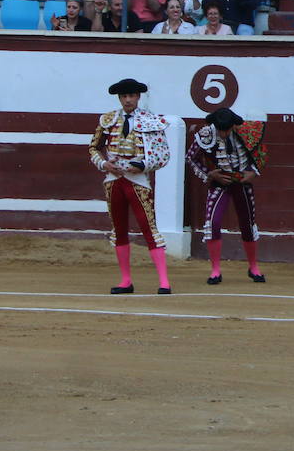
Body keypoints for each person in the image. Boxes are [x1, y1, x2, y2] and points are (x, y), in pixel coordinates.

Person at [88, 78, 172, 295]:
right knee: (119, 229)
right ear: (119, 98)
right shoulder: (108, 120)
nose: (128, 100)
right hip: (114, 179)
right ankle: (126, 281)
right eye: (124, 96)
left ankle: (164, 282)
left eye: (131, 96)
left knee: (148, 227)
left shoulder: (151, 120)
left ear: (138, 97)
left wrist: (144, 164)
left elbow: (163, 155)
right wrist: (104, 164)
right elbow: (94, 148)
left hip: (138, 179)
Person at [186, 107, 265, 286]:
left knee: (247, 224)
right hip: (219, 183)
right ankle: (215, 270)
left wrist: (253, 172)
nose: (223, 133)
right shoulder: (206, 135)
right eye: (220, 129)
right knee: (213, 223)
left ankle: (253, 267)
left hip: (242, 183)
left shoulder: (246, 132)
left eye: (227, 129)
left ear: (233, 126)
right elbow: (191, 158)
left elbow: (261, 154)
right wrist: (211, 174)